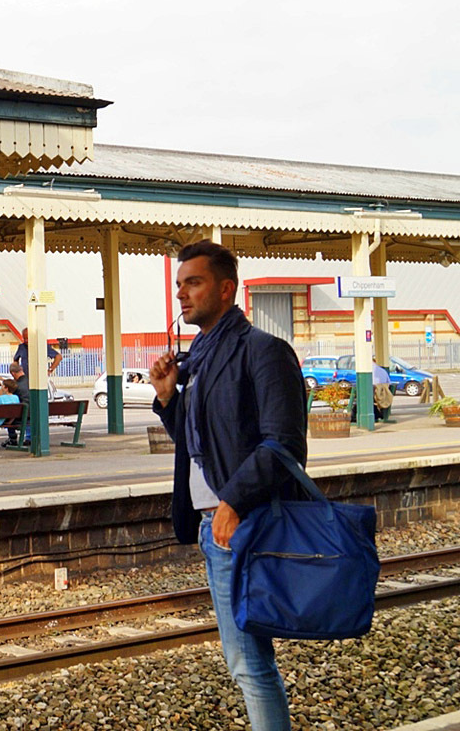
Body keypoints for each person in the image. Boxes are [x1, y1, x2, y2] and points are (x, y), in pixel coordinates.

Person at [148, 240, 305, 731]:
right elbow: (199, 445)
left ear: (225, 288)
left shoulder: (263, 351)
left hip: (243, 523)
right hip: (214, 523)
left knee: (250, 664)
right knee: (247, 661)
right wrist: (169, 397)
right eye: (179, 285)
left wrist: (233, 503)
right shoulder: (199, 359)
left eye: (192, 283)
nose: (181, 294)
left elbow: (283, 444)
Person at [5, 363, 32, 446]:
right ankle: (29, 438)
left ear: (13, 373)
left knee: (8, 416)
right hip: (34, 413)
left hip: (21, 416)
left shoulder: (16, 386)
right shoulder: (32, 382)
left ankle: (12, 438)